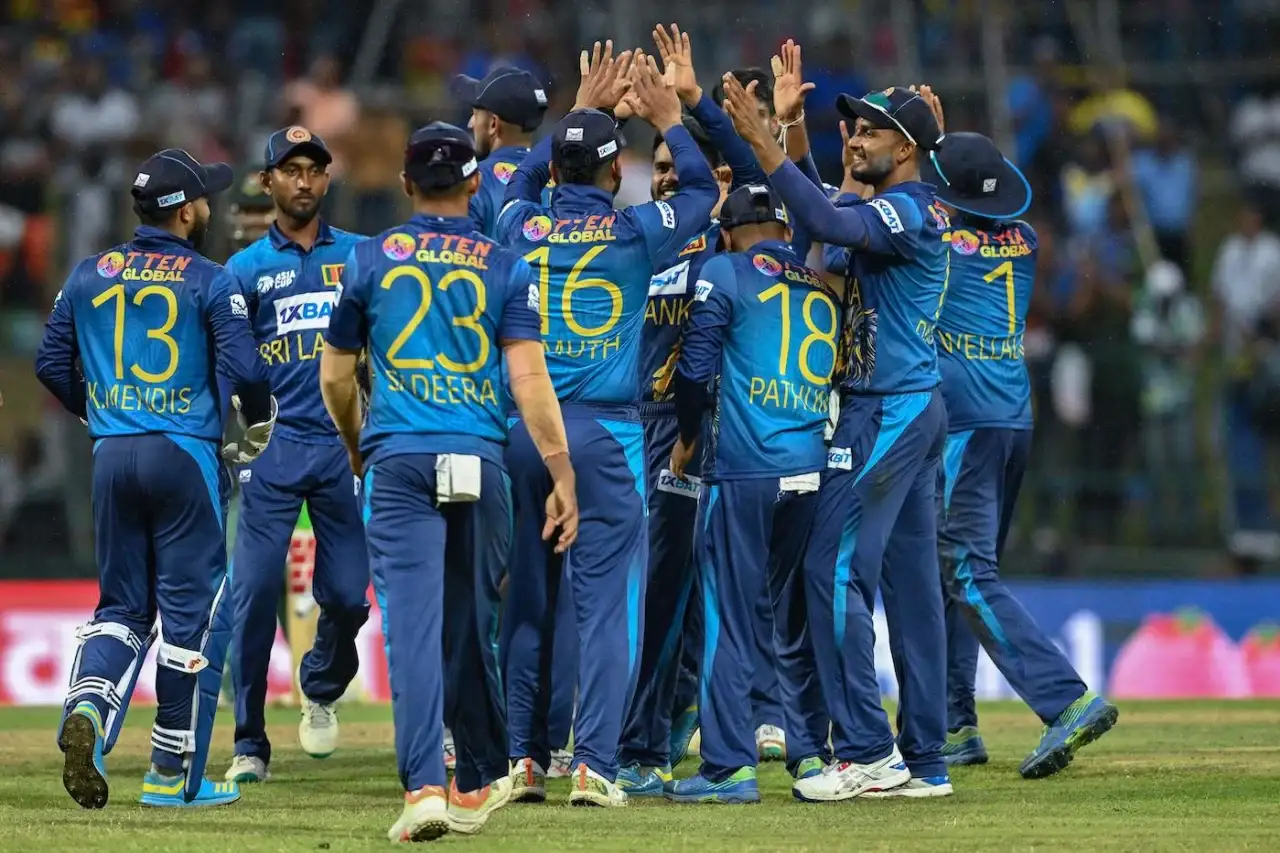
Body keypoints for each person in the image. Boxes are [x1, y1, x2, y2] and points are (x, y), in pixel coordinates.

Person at [320, 121, 578, 842]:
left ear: (406, 184)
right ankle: (477, 777)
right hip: (480, 456)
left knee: (413, 627)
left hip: (399, 457)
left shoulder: (368, 259)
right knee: (471, 624)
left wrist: (357, 444)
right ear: (473, 183)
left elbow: (335, 378)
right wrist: (561, 471)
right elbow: (530, 381)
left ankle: (426, 787)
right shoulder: (507, 267)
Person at [495, 44, 718, 807]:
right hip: (607, 436)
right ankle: (593, 764)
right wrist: (671, 119)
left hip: (525, 431)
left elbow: (516, 185)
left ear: (558, 172)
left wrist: (575, 112)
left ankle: (524, 760)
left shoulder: (520, 227)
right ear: (615, 170)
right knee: (606, 605)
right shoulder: (635, 235)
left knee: (528, 599)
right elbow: (701, 192)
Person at [723, 74, 952, 799]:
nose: (855, 138)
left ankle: (868, 751)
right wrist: (793, 134)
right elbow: (824, 219)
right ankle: (926, 761)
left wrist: (763, 142)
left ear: (907, 149)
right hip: (905, 406)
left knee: (830, 569)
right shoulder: (892, 208)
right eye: (851, 127)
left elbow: (823, 216)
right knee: (912, 587)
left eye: (871, 130)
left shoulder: (907, 211)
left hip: (886, 409)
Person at [35, 148, 276, 809]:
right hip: (184, 457)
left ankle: (88, 710)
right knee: (187, 619)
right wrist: (257, 424)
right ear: (186, 211)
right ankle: (171, 772)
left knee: (121, 608)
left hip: (112, 455)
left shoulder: (88, 273)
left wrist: (100, 412)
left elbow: (50, 362)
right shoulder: (211, 280)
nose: (211, 206)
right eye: (204, 198)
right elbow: (247, 371)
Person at [923, 131, 1119, 778]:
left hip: (966, 421)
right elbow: (961, 206)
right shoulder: (1027, 240)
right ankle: (955, 723)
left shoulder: (938, 241)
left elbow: (910, 213)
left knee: (966, 571)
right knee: (962, 574)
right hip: (1012, 416)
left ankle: (1066, 700)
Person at [663, 184, 836, 803]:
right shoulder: (821, 286)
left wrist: (687, 439)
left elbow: (694, 370)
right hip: (810, 469)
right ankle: (811, 757)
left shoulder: (724, 270)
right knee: (793, 619)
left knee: (729, 617)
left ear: (727, 234)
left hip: (745, 469)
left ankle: (727, 766)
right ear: (787, 233)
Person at [220, 126, 370, 784]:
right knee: (253, 594)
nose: (304, 180)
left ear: (326, 179)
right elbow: (227, 365)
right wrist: (232, 442)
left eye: (314, 169)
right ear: (269, 181)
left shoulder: (361, 257)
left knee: (350, 597)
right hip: (272, 450)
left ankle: (322, 685)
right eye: (291, 170)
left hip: (344, 446)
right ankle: (249, 742)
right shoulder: (245, 270)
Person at [451, 66, 551, 238]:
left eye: (475, 114)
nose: (470, 123)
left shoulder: (473, 181)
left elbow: (457, 250)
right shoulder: (561, 178)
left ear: (493, 124)